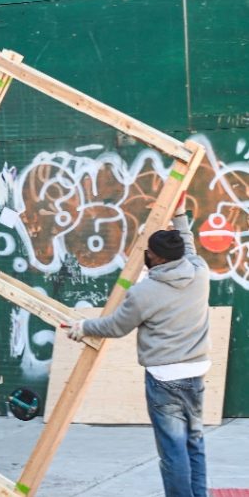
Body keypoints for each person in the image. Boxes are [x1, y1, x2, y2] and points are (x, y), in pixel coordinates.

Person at [67, 199, 210, 497]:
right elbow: (190, 248)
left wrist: (83, 328)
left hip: (163, 377)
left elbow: (115, 326)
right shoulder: (200, 273)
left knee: (173, 450)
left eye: (150, 253)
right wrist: (180, 215)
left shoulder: (145, 292)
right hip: (196, 372)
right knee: (194, 441)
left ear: (155, 259)